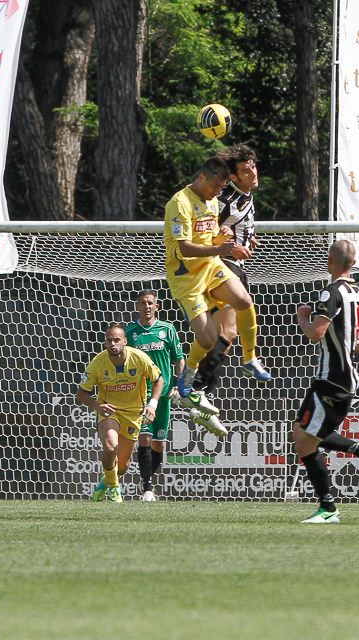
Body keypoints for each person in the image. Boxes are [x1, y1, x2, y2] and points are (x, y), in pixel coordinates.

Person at [163, 156, 271, 431]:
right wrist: (220, 249)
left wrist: (221, 238)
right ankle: (188, 381)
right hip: (187, 279)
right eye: (215, 186)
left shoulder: (212, 200)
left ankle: (249, 359)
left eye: (222, 187)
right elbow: (185, 248)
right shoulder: (179, 204)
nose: (217, 193)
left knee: (244, 301)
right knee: (210, 338)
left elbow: (210, 239)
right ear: (201, 178)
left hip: (211, 268)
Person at [294, 240, 359, 524]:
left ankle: (329, 508)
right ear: (353, 264)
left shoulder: (329, 293)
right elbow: (358, 346)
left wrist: (303, 319)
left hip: (333, 378)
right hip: (340, 378)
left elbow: (316, 333)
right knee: (303, 435)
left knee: (306, 440)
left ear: (329, 261)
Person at [191, 144, 260, 401]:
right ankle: (197, 385)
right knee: (229, 331)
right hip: (223, 266)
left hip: (230, 266)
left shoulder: (244, 194)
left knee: (221, 337)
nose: (252, 173)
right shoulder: (224, 200)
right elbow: (204, 232)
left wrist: (248, 238)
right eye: (245, 170)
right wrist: (226, 240)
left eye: (253, 166)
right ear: (233, 177)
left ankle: (201, 388)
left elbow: (238, 224)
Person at [76, 323, 163, 503]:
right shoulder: (97, 364)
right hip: (109, 411)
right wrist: (97, 406)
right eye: (109, 340)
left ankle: (107, 480)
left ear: (125, 341)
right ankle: (115, 488)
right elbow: (81, 393)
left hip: (133, 414)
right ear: (105, 343)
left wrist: (152, 405)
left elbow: (158, 380)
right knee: (110, 447)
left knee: (122, 465)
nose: (113, 344)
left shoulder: (140, 358)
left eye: (117, 340)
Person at [124, 290, 186, 501]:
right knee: (144, 439)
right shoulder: (130, 333)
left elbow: (179, 359)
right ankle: (147, 488)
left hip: (165, 394)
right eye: (143, 303)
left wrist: (180, 384)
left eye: (150, 303)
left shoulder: (167, 330)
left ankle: (149, 481)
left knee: (159, 443)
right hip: (142, 396)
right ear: (137, 307)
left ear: (156, 307)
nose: (147, 306)